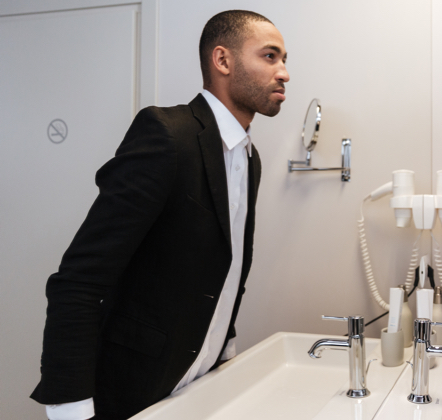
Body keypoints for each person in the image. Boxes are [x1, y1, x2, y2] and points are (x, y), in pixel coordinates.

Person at [30, 10, 289, 420]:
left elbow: (225, 264)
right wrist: (70, 406)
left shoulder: (248, 157)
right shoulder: (167, 134)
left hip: (199, 382)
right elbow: (78, 279)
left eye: (284, 60)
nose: (284, 72)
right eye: (270, 56)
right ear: (222, 61)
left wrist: (223, 352)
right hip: (132, 389)